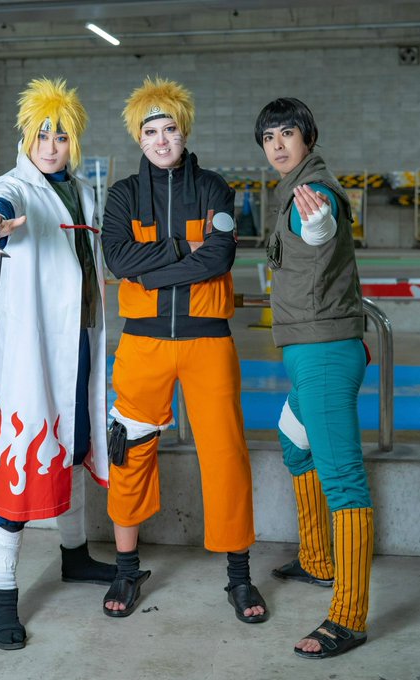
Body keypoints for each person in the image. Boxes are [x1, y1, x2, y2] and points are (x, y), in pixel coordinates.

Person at [100, 76, 267, 623]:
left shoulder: (216, 188)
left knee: (226, 455)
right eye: (151, 131)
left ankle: (239, 577)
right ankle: (127, 570)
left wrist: (149, 271)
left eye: (169, 128)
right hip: (142, 344)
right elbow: (118, 260)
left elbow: (218, 257)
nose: (161, 140)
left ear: (184, 131)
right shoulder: (123, 194)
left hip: (207, 342)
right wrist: (177, 248)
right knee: (128, 452)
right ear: (139, 138)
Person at [0, 77, 116, 651]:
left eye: (62, 135)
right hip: (33, 353)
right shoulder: (14, 185)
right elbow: (3, 208)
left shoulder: (84, 191)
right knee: (20, 455)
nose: (51, 146)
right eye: (43, 134)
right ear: (27, 137)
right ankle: (2, 595)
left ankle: (74, 555)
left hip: (79, 343)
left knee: (73, 445)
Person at [254, 97, 373, 659]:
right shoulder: (290, 189)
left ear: (308, 137)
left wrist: (319, 222)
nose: (278, 144)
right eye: (269, 137)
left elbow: (319, 225)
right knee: (292, 440)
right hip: (309, 352)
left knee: (343, 482)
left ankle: (348, 617)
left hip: (325, 353)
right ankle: (318, 559)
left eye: (287, 133)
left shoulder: (314, 190)